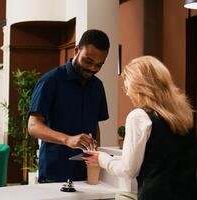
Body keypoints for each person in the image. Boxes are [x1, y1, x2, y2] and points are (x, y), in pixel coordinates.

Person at [84, 56, 197, 200]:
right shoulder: (184, 116)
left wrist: (102, 158)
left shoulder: (139, 116)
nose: (127, 93)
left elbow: (128, 171)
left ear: (139, 86)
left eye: (127, 86)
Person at [27, 29, 110, 182]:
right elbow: (33, 126)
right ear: (76, 50)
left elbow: (95, 125)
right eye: (88, 61)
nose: (92, 69)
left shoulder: (98, 86)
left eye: (99, 65)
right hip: (54, 174)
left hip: (86, 174)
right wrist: (67, 139)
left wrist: (96, 158)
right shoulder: (50, 81)